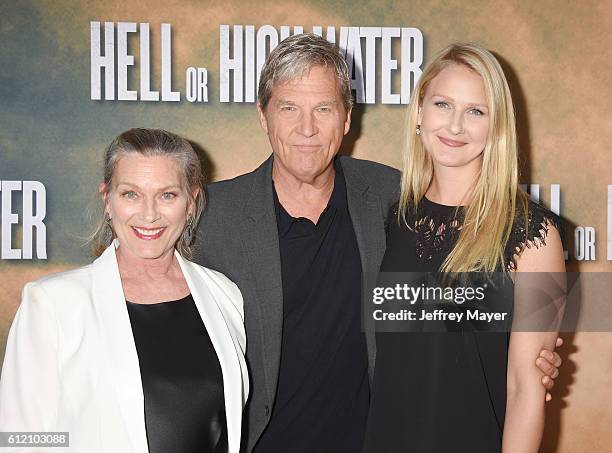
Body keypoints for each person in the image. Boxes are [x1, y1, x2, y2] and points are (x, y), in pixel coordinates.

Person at [195, 34, 563, 453]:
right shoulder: (399, 208)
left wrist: (534, 366)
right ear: (263, 116)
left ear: (347, 118)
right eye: (289, 108)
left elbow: (523, 381)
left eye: (324, 109)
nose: (307, 128)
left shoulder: (388, 200)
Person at [363, 43, 566, 452]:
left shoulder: (534, 234)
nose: (455, 126)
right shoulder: (390, 220)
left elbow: (526, 389)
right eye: (443, 104)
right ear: (419, 112)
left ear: (497, 127)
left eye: (476, 111)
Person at [0, 129, 249, 453]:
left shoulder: (224, 295)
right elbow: (20, 438)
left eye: (167, 195)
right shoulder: (53, 305)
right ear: (108, 200)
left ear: (191, 203)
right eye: (131, 194)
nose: (149, 214)